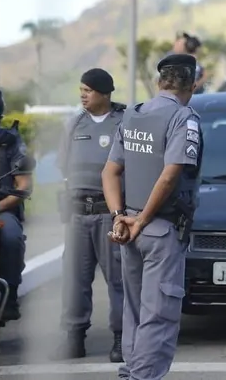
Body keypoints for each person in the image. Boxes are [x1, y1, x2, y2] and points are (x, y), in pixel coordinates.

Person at [102, 53, 203, 380]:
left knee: (134, 310)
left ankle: (132, 370)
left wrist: (120, 216)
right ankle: (143, 376)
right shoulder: (183, 117)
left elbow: (110, 171)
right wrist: (143, 218)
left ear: (160, 82)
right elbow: (171, 174)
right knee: (159, 312)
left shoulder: (133, 115)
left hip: (128, 229)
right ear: (190, 84)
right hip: (159, 229)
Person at [52, 69, 126, 362]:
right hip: (78, 215)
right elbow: (63, 167)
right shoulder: (74, 124)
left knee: (118, 279)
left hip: (109, 214)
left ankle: (121, 339)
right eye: (81, 89)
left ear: (105, 93)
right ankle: (74, 339)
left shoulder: (123, 123)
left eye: (88, 90)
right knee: (74, 279)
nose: (83, 94)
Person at [0, 89, 34, 326]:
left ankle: (10, 296)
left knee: (11, 238)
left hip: (0, 208)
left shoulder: (9, 141)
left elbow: (24, 185)